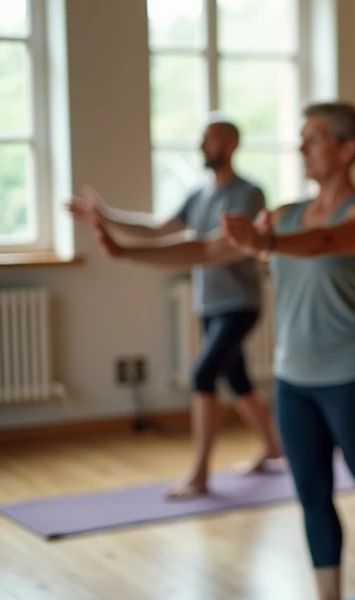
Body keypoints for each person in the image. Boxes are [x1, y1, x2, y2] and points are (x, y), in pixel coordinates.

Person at [87, 102, 355, 600]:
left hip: (351, 373)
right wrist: (127, 251)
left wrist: (265, 244)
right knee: (312, 492)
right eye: (301, 137)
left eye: (314, 138)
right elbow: (206, 249)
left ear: (347, 149)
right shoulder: (282, 215)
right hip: (292, 378)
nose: (301, 147)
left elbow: (326, 243)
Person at [66, 119, 282, 499]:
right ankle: (272, 447)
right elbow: (160, 229)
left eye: (208, 140)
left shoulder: (248, 194)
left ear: (230, 145)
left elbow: (209, 249)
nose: (201, 146)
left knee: (203, 375)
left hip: (240, 303)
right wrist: (106, 217)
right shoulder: (198, 194)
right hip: (209, 302)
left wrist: (125, 251)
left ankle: (200, 474)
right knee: (237, 379)